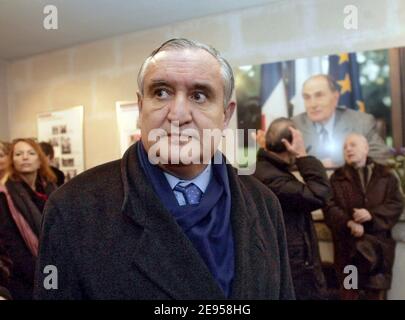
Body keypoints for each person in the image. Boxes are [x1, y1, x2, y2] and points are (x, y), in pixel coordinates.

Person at [34, 38, 295, 300]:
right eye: (161, 92)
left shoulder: (264, 203)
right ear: (140, 107)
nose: (178, 114)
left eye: (199, 95)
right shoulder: (73, 208)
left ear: (226, 115)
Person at [254, 117, 331, 299]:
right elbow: (320, 194)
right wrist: (303, 155)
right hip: (292, 268)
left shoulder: (267, 169)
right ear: (289, 144)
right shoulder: (272, 177)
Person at [323, 133, 403, 300]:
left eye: (353, 145)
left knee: (375, 294)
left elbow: (396, 204)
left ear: (366, 148)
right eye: (345, 147)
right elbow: (329, 207)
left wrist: (371, 216)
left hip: (378, 253)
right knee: (349, 293)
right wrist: (349, 223)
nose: (348, 149)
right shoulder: (337, 177)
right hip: (349, 251)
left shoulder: (386, 175)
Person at [0, 138, 57, 299]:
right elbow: (11, 244)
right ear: (12, 160)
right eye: (19, 154)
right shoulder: (5, 195)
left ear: (40, 160)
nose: (25, 157)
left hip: (55, 266)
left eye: (31, 153)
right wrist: (42, 275)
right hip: (24, 276)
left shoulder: (51, 189)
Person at [292, 74, 390, 167]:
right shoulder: (295, 125)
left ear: (335, 98)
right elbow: (284, 163)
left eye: (319, 96)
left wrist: (340, 167)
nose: (312, 104)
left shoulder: (361, 122)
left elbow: (382, 158)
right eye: (307, 97)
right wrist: (313, 166)